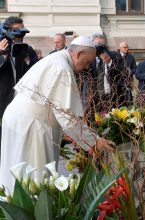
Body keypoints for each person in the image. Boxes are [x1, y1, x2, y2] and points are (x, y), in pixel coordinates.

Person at [0, 36, 114, 192]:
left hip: (19, 119)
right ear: (79, 54)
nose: (87, 67)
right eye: (87, 62)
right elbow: (67, 119)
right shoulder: (62, 68)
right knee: (34, 179)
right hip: (32, 126)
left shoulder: (56, 59)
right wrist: (94, 141)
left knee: (14, 170)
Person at [0, 16, 38, 148]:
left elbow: (37, 74)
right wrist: (2, 54)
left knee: (18, 145)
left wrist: (27, 59)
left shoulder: (27, 49)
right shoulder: (1, 49)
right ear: (7, 31)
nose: (21, 35)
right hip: (2, 104)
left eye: (23, 31)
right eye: (18, 31)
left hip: (22, 105)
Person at [83, 33, 126, 115]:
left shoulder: (114, 56)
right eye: (98, 45)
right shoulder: (87, 58)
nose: (101, 48)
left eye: (103, 45)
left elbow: (123, 72)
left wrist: (110, 62)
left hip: (111, 96)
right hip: (93, 97)